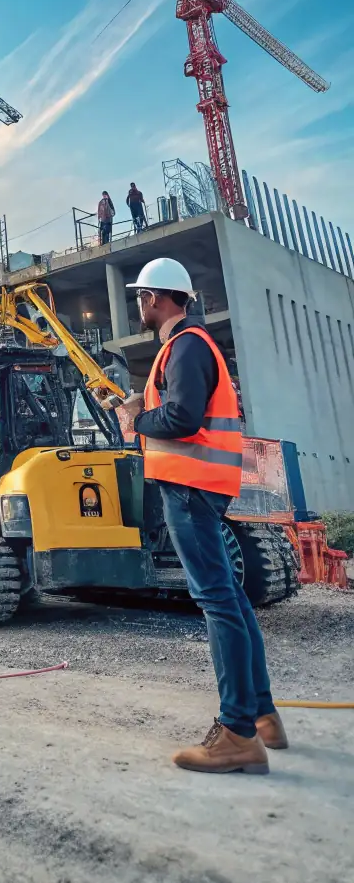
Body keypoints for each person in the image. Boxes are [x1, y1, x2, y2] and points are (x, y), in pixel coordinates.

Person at [116, 258, 284, 774]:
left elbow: (183, 418)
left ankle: (235, 732)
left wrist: (134, 421)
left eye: (141, 298)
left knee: (217, 601)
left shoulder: (185, 346)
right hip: (205, 487)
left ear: (155, 299)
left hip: (190, 489)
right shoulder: (195, 344)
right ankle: (262, 716)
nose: (139, 307)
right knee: (230, 597)